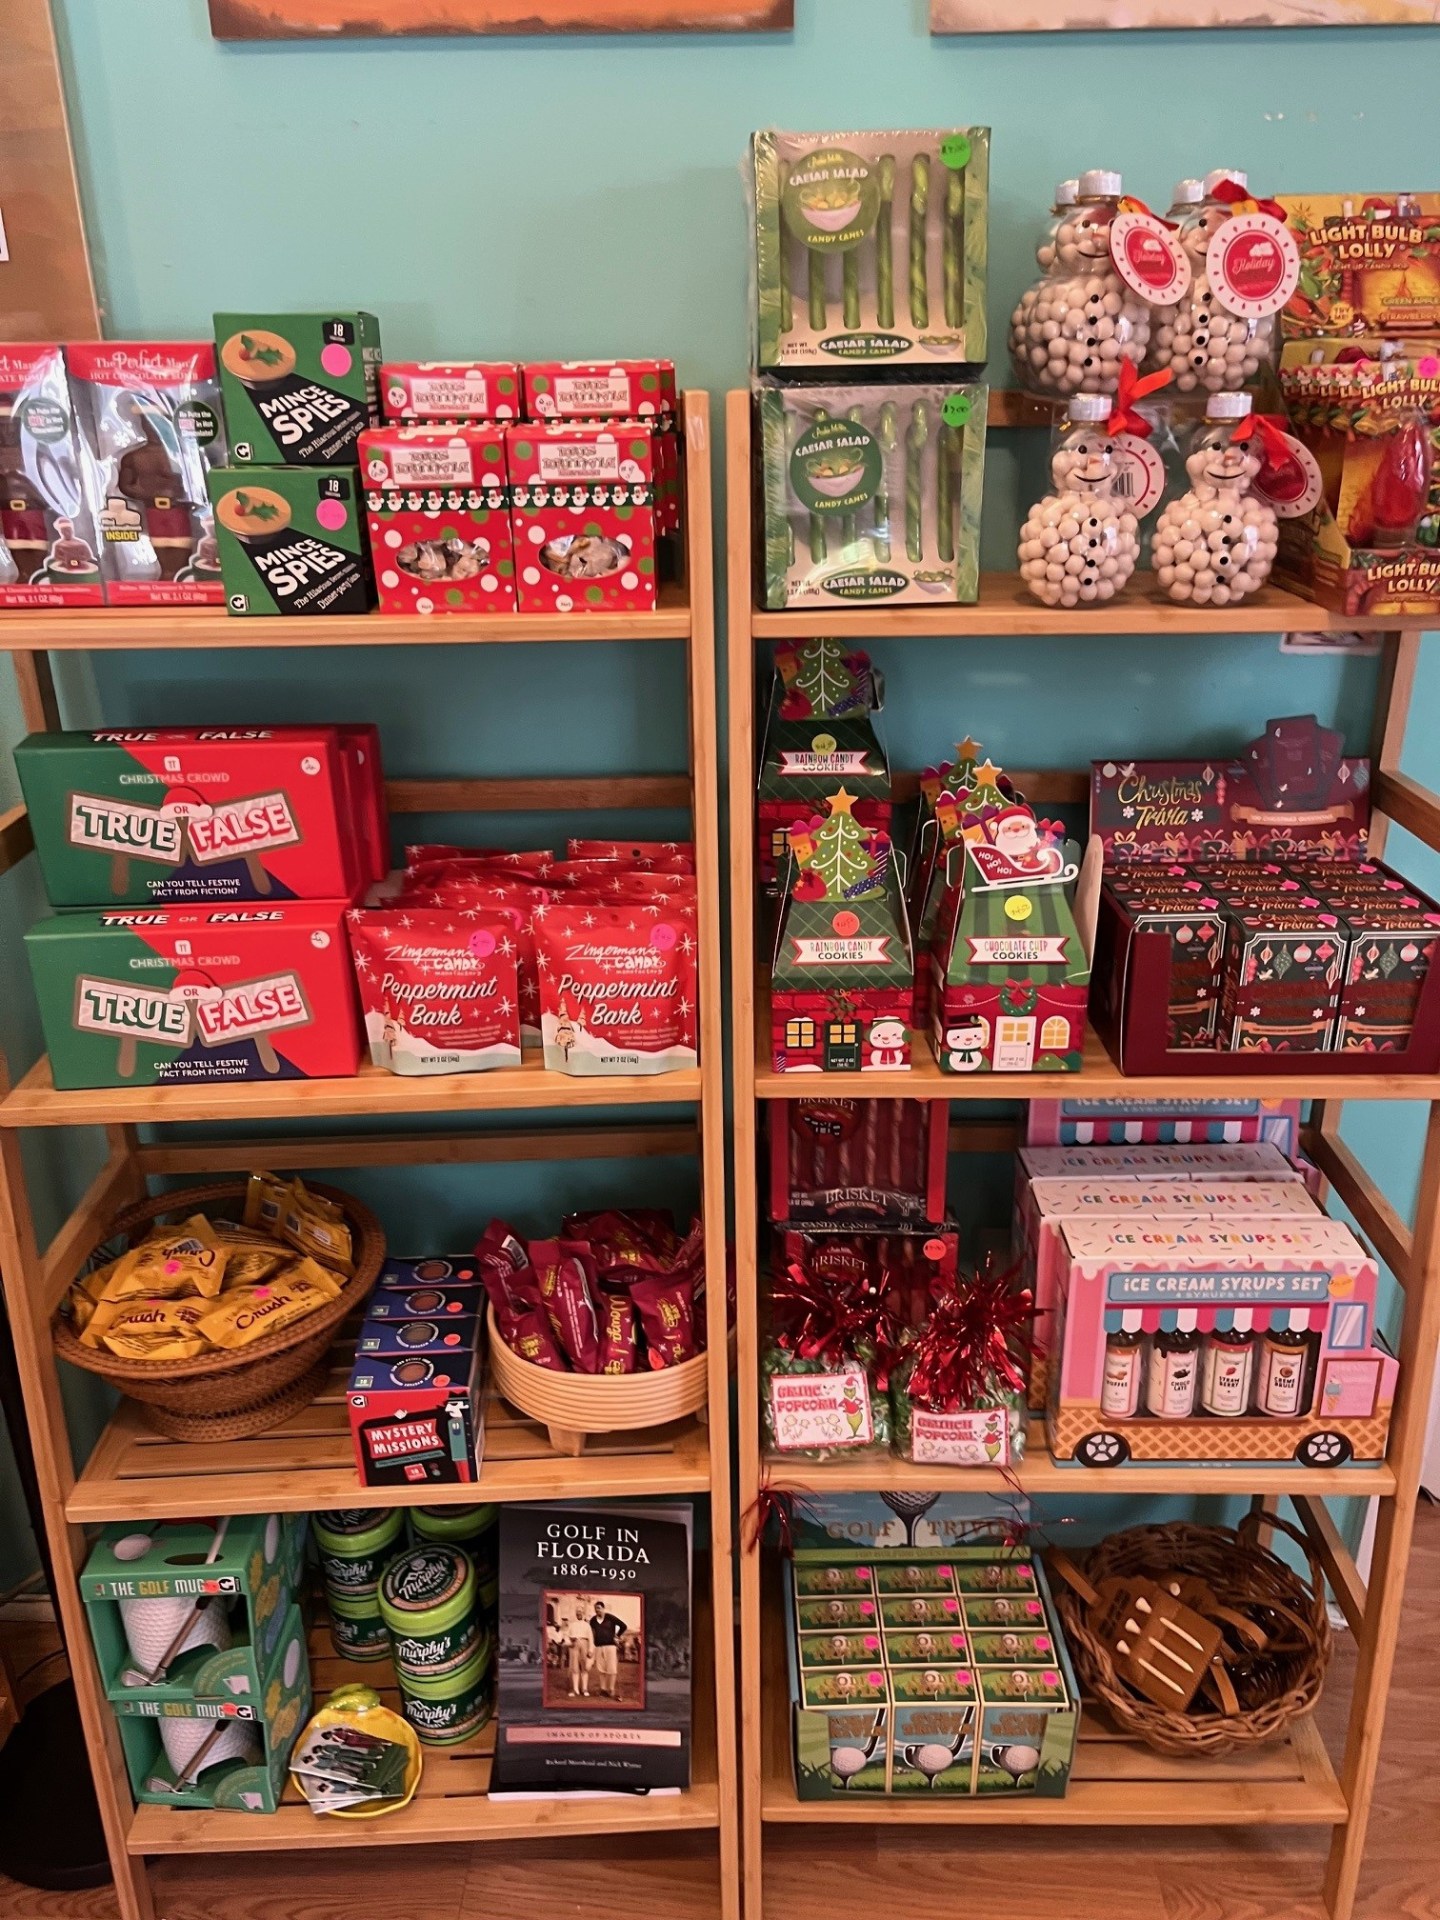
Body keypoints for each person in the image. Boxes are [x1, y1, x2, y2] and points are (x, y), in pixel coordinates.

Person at [588, 1600, 631, 1700]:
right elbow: (591, 1633)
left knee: (611, 1669)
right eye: (595, 1608)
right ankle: (603, 1690)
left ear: (603, 1608)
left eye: (598, 1608)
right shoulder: (593, 1620)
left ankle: (611, 1689)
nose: (597, 1610)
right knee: (601, 1669)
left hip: (610, 1646)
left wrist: (617, 1636)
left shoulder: (610, 1617)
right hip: (598, 1646)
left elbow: (623, 1626)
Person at [564, 1608, 594, 1697]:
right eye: (577, 1613)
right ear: (576, 1614)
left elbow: (591, 1638)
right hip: (574, 1645)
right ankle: (575, 1689)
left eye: (580, 1612)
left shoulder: (587, 1625)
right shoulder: (572, 1625)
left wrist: (590, 1650)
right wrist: (569, 1642)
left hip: (584, 1643)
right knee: (574, 1667)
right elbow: (566, 1635)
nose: (579, 1614)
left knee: (584, 1668)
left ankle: (584, 1689)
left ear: (583, 1613)